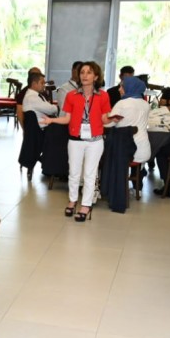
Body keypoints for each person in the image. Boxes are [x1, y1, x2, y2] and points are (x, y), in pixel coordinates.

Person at [40, 61, 111, 221]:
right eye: (82, 72)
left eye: (89, 72)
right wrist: (51, 121)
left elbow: (104, 119)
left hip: (95, 141)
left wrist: (113, 118)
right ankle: (72, 201)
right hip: (75, 140)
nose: (85, 75)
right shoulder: (71, 95)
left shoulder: (103, 96)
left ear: (96, 77)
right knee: (73, 173)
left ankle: (86, 205)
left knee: (90, 174)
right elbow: (67, 119)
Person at [107, 75, 152, 163]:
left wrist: (104, 116)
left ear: (129, 88)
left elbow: (108, 124)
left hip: (125, 151)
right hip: (144, 150)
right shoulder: (146, 104)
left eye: (122, 87)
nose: (119, 89)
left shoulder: (122, 104)